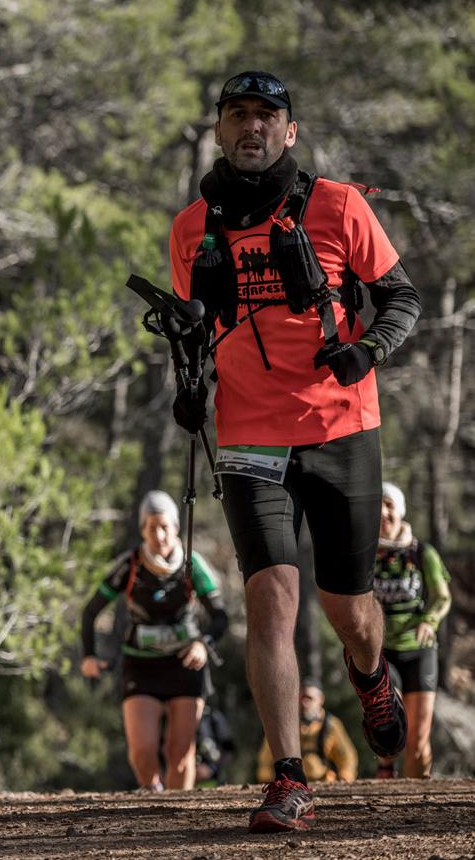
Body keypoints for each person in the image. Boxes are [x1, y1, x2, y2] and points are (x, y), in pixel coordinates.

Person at [170, 70, 422, 832]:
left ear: (290, 131)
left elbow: (402, 298)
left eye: (266, 116)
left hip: (342, 427)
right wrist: (189, 384)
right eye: (237, 115)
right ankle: (288, 777)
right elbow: (195, 331)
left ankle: (371, 673)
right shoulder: (192, 228)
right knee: (270, 599)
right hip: (249, 432)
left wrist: (367, 350)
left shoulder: (340, 206)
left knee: (348, 608)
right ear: (219, 129)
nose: (252, 127)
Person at [81, 490, 229, 791]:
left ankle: (178, 815)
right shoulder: (131, 564)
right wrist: (88, 655)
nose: (159, 535)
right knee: (142, 751)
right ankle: (153, 798)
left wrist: (203, 643)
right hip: (141, 664)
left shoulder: (192, 565)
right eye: (152, 528)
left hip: (185, 665)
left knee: (180, 753)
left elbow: (220, 618)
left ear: (176, 528)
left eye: (165, 527)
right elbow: (90, 611)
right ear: (142, 530)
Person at [374, 481, 452, 779]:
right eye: (378, 505)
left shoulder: (422, 553)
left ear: (400, 511)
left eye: (389, 505)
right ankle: (385, 773)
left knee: (418, 740)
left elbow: (442, 596)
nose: (383, 512)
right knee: (388, 723)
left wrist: (429, 621)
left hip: (419, 651)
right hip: (382, 651)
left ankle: (418, 799)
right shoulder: (365, 555)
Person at [256, 678, 358, 784]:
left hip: (324, 782)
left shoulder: (331, 724)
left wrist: (346, 775)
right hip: (291, 785)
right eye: (301, 698)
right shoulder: (285, 725)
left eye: (309, 698)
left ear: (320, 699)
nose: (304, 702)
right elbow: (266, 755)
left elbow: (347, 756)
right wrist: (266, 778)